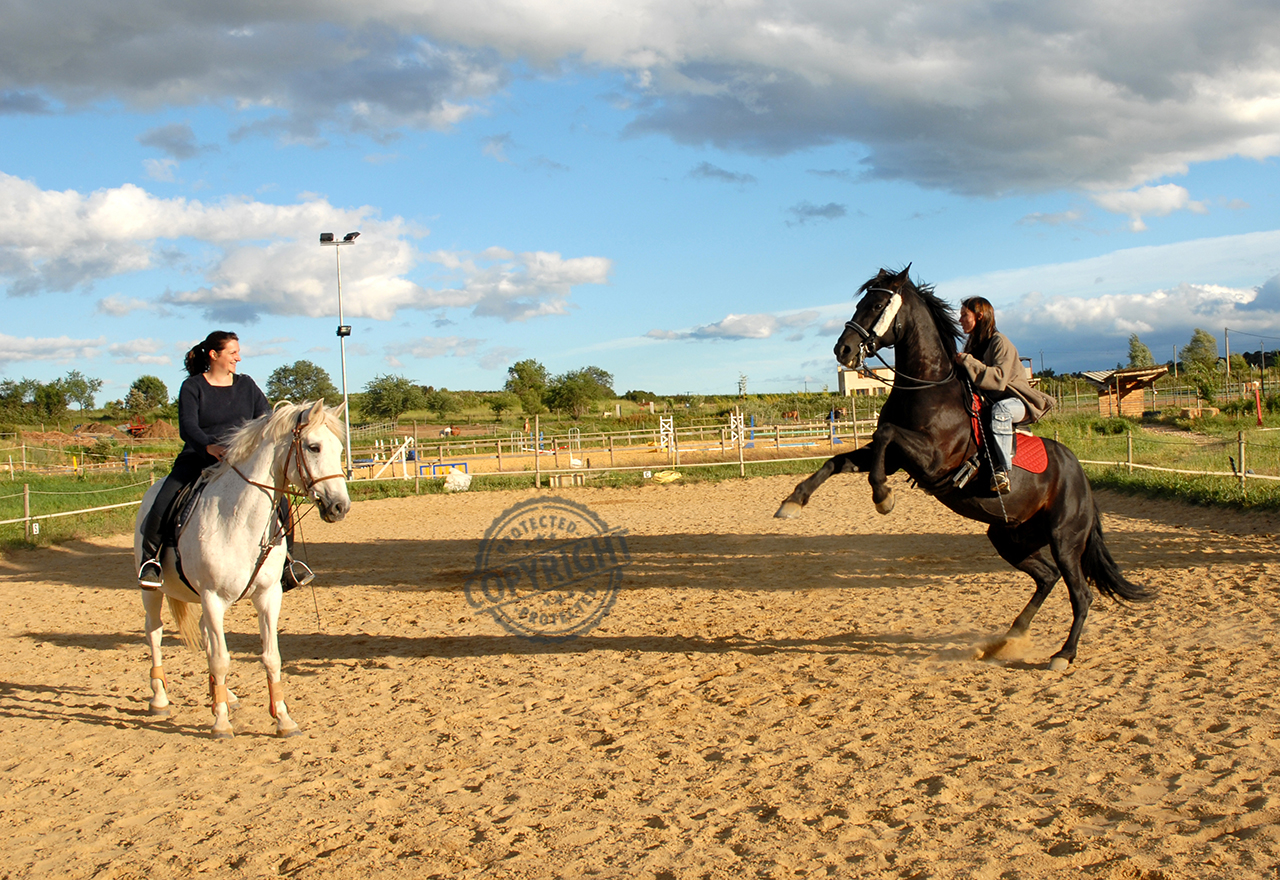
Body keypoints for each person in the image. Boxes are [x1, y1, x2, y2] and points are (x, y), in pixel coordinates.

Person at [138, 331, 312, 590]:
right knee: (165, 497)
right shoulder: (193, 386)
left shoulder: (247, 385)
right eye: (233, 353)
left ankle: (287, 563)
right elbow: (187, 426)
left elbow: (266, 420)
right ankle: (151, 560)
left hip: (241, 461)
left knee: (281, 503)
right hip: (200, 456)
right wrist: (208, 446)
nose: (238, 358)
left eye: (237, 353)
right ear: (214, 355)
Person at [953, 297, 1053, 494]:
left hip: (1019, 402)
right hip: (992, 401)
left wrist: (967, 361)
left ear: (979, 316)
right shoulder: (975, 345)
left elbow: (998, 379)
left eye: (964, 314)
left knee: (1002, 410)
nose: (960, 319)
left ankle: (1001, 471)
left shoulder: (1000, 342)